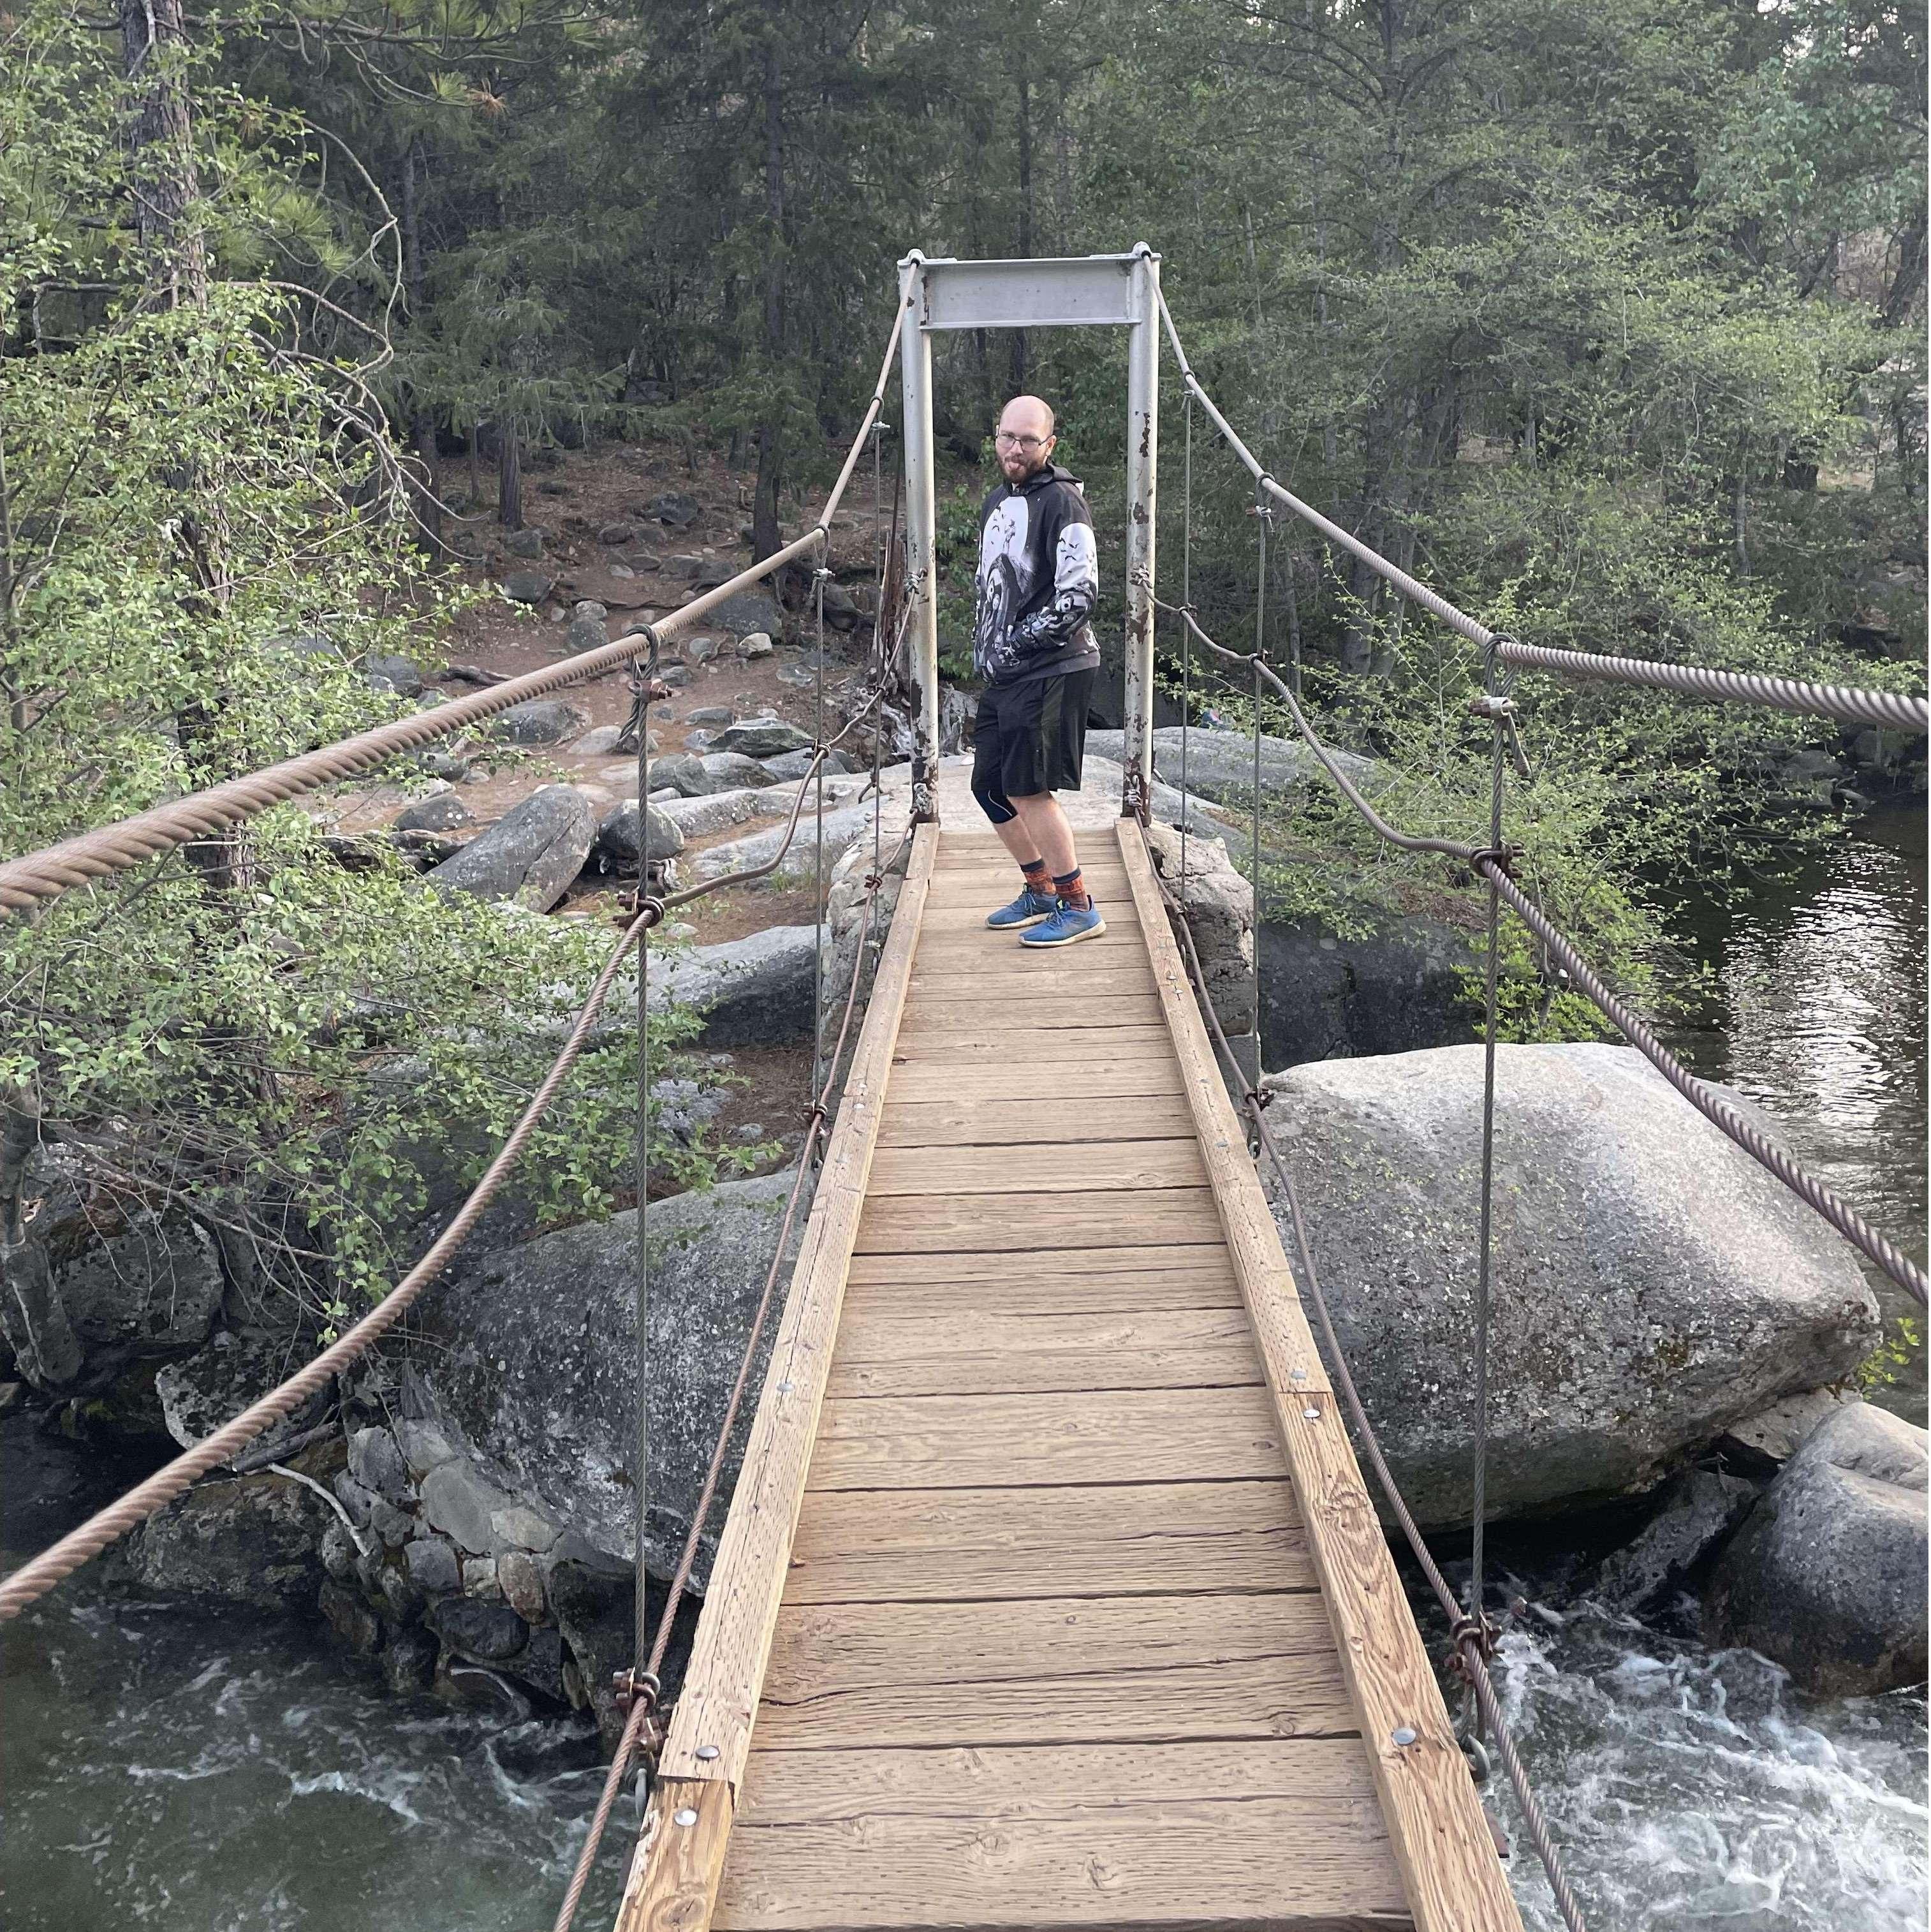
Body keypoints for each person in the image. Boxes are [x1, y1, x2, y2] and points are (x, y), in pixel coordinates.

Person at [969, 394, 1106, 947]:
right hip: (1006, 673)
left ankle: (1079, 905)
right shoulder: (996, 501)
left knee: (1028, 788)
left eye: (1029, 439)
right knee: (990, 787)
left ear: (1049, 445)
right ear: (996, 438)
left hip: (1053, 665)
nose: (1016, 448)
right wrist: (988, 651)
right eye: (1008, 437)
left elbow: (1080, 594)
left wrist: (1019, 643)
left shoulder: (1063, 503)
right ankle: (1041, 888)